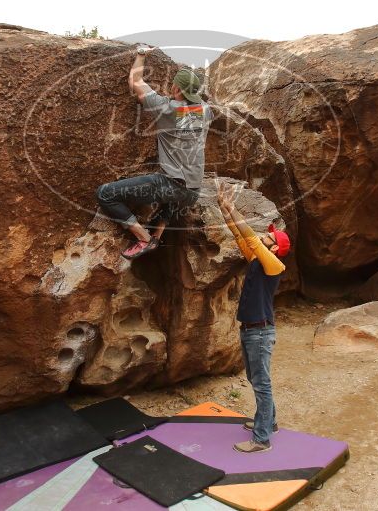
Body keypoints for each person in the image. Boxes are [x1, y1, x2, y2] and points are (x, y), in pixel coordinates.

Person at [96, 45, 214, 259]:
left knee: (105, 193)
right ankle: (157, 235)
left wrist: (141, 54)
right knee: (172, 200)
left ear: (176, 88)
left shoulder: (167, 110)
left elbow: (135, 82)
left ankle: (144, 238)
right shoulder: (205, 111)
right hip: (193, 191)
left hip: (172, 185)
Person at [216, 179, 291, 453]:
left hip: (259, 332)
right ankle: (269, 423)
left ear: (273, 248)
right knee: (257, 380)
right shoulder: (259, 261)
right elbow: (241, 238)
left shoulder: (274, 264)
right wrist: (225, 211)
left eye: (268, 237)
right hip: (251, 330)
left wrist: (234, 209)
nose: (263, 236)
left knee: (261, 383)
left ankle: (261, 439)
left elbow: (249, 237)